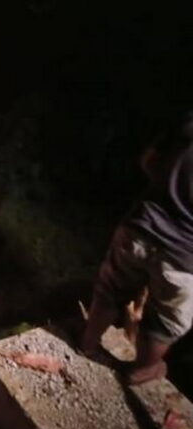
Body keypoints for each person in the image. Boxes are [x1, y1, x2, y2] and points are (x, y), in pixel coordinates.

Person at [81, 110, 193, 385]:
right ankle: (143, 369)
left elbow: (149, 161)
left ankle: (88, 345)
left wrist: (170, 189)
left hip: (142, 226)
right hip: (185, 256)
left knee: (110, 289)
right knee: (167, 322)